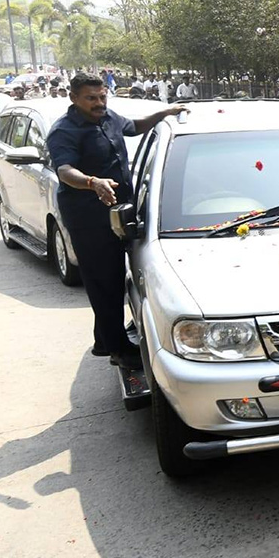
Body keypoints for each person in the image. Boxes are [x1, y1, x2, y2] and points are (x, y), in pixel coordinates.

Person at [45, 73, 187, 369]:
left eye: (102, 97)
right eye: (91, 98)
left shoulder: (107, 116)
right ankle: (119, 351)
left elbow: (134, 127)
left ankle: (105, 339)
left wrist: (165, 113)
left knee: (115, 279)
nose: (99, 103)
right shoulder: (64, 131)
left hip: (120, 210)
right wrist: (93, 182)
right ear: (74, 98)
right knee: (105, 283)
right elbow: (65, 171)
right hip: (89, 217)